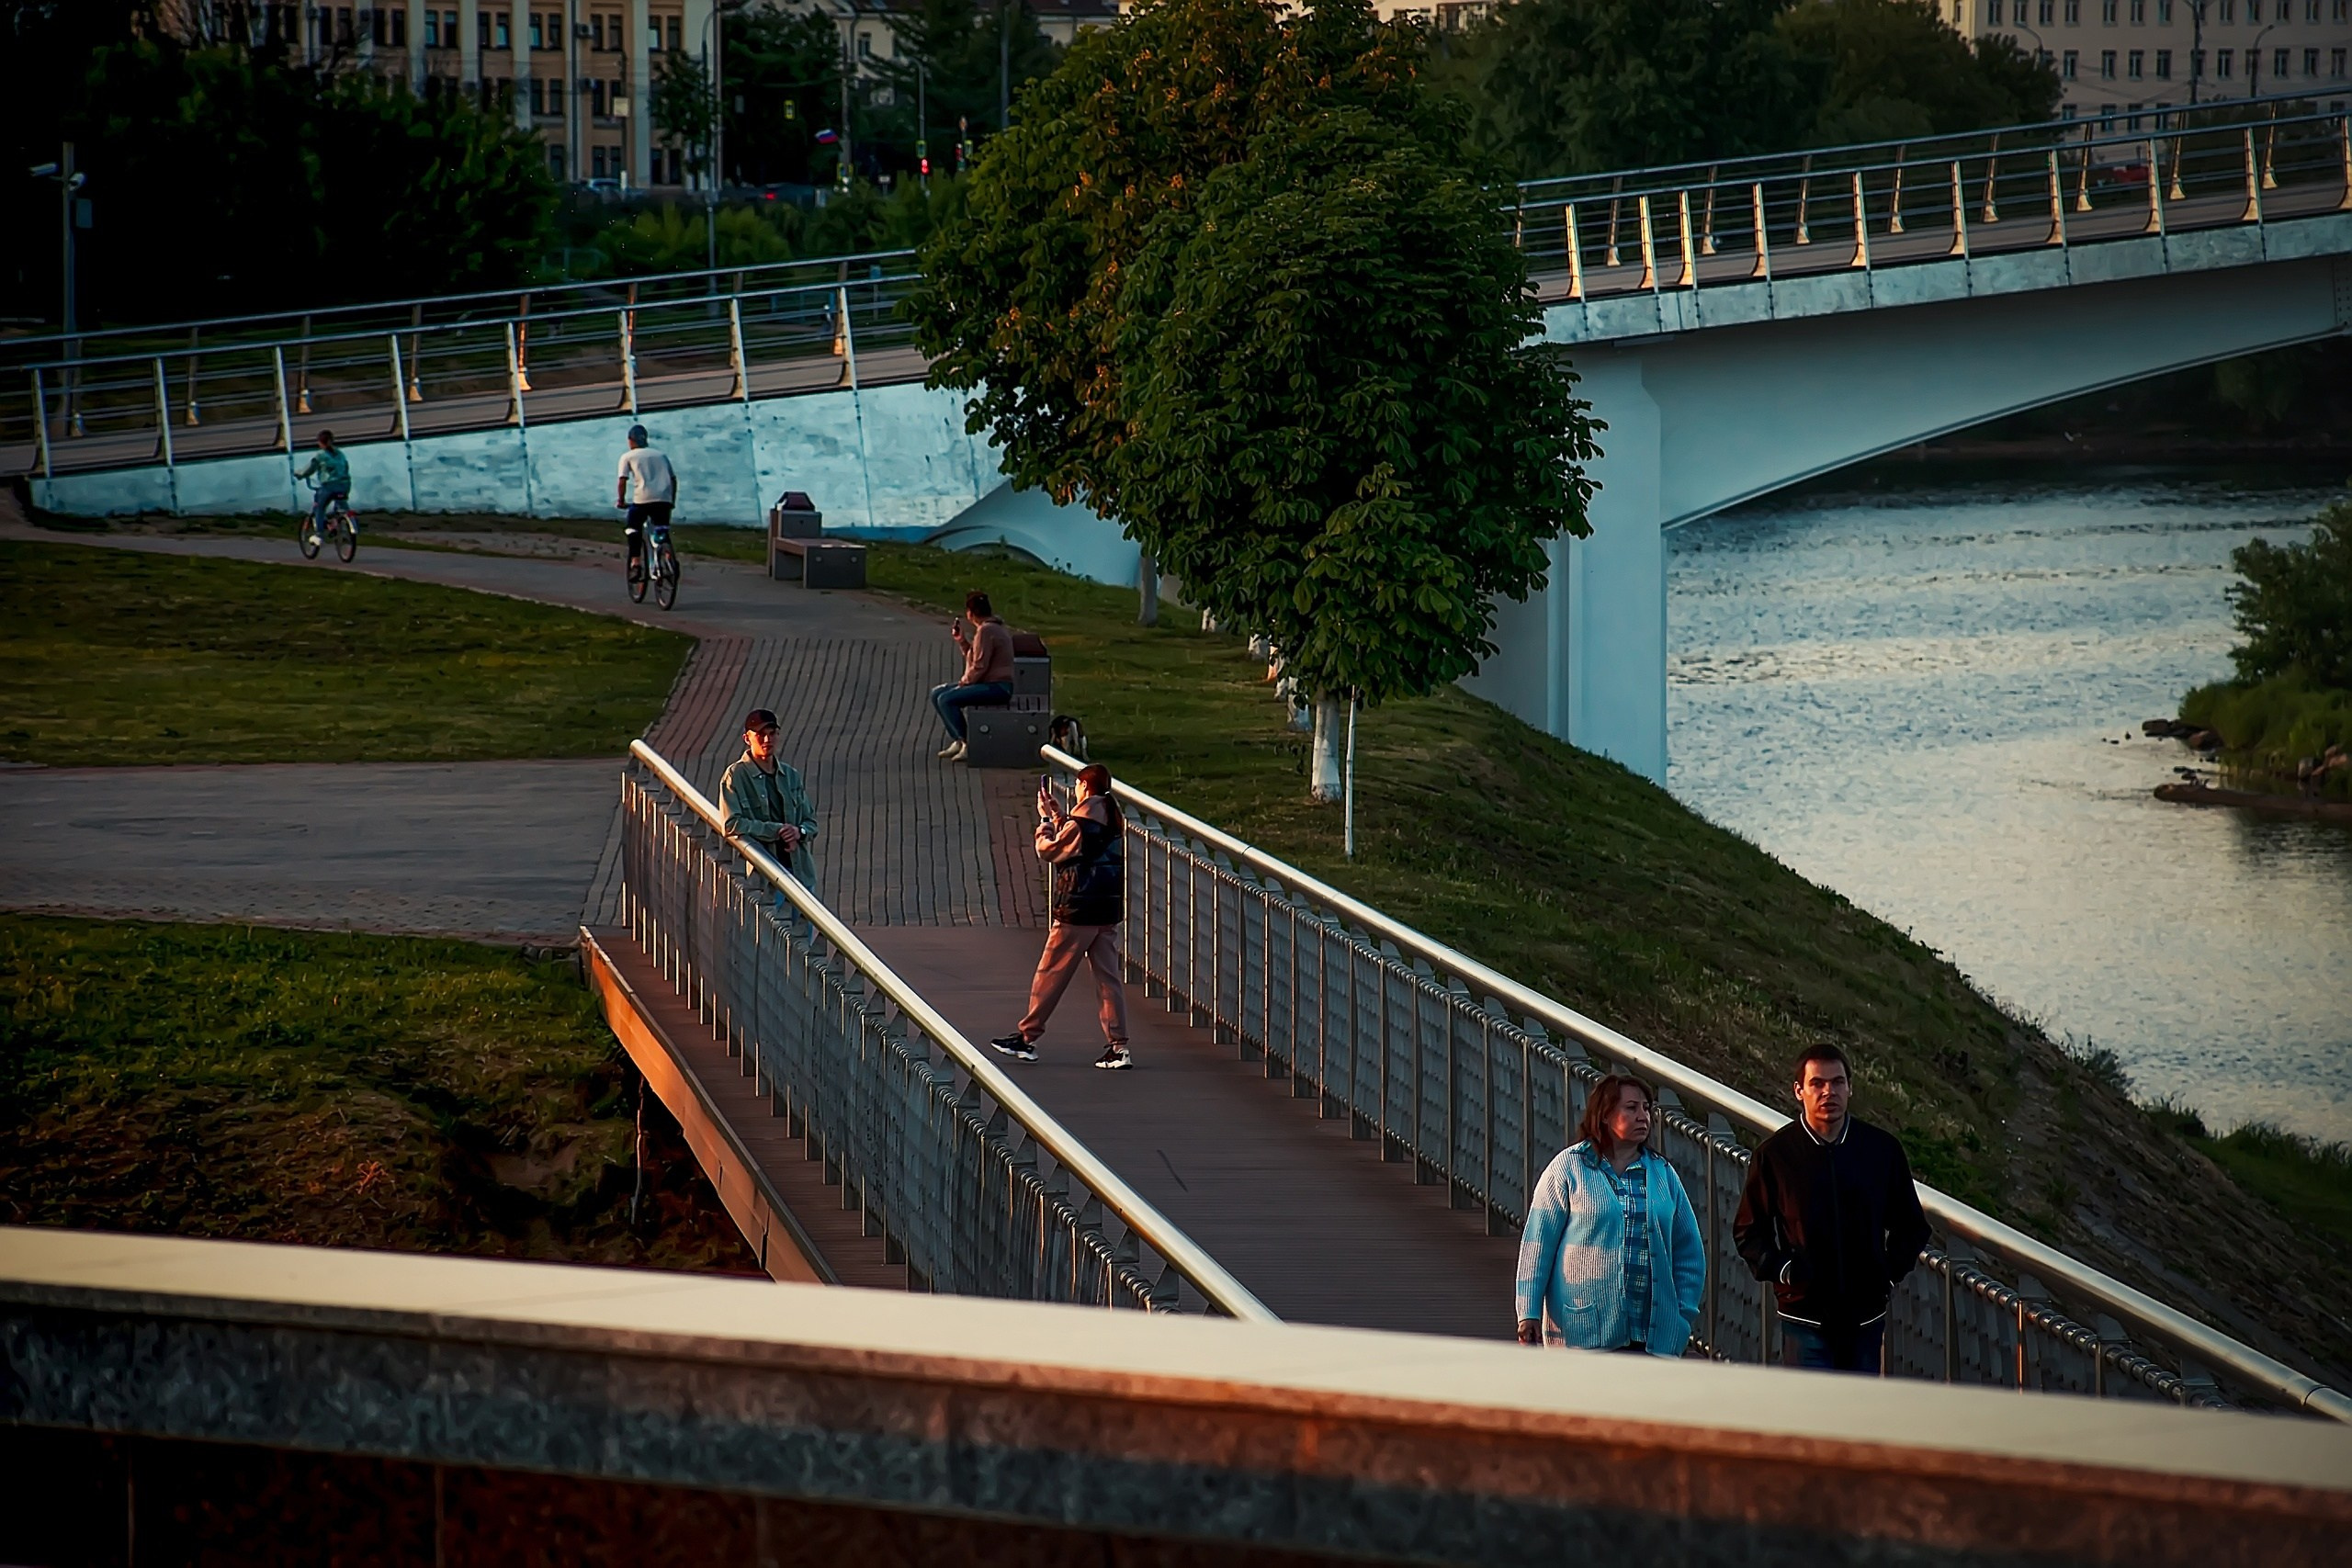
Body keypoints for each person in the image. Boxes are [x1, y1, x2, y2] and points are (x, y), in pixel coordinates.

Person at [1734, 1044, 1932, 1375]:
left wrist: (1887, 1274)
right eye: (1817, 1084)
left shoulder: (1881, 1150)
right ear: (1799, 1091)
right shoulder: (1776, 1155)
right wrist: (1785, 1271)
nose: (1829, 1092)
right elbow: (1748, 1230)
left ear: (1850, 1088)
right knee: (1810, 1418)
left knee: (1857, 1418)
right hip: (1804, 1317)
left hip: (1865, 1316)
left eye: (1838, 1082)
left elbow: (1911, 1225)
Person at [1515, 1074, 1706, 1356]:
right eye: (1631, 1108)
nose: (1643, 1116)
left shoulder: (1662, 1173)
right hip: (1584, 1331)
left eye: (1646, 1108)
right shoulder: (1569, 1168)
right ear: (1605, 1115)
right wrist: (1528, 1310)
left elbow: (1688, 1250)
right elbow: (1538, 1243)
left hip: (1652, 1335)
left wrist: (1682, 1314)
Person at [990, 763, 1131, 1070]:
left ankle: (1027, 1039)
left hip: (1076, 912)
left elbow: (1050, 849)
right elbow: (1080, 841)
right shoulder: (1112, 818)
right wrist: (1059, 816)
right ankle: (1119, 1048)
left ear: (1084, 786)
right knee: (1108, 980)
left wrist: (1044, 820)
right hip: (1105, 912)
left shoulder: (1080, 824)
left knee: (1050, 974)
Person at [718, 708, 819, 894]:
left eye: (772, 734)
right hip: (767, 878)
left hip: (801, 874)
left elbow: (811, 822)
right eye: (760, 735)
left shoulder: (790, 775)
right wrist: (777, 831)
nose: (767, 740)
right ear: (747, 739)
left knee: (804, 922)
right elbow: (731, 824)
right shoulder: (736, 776)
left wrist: (799, 832)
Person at [931, 592, 1015, 761]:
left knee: (945, 699)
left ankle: (967, 743)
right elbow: (976, 657)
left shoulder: (987, 631)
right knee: (936, 694)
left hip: (997, 687)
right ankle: (958, 739)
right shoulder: (990, 628)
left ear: (970, 613)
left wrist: (965, 683)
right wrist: (962, 641)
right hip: (990, 684)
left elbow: (980, 666)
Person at [615, 423, 677, 574]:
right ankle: (669, 558)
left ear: (631, 440)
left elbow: (623, 480)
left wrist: (621, 500)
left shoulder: (628, 456)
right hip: (664, 499)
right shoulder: (661, 455)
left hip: (643, 499)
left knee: (633, 529)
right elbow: (673, 479)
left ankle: (635, 562)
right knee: (662, 529)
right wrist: (671, 501)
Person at [291, 430, 351, 546]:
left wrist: (299, 474)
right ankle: (342, 525)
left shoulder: (320, 455)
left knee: (319, 507)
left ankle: (319, 534)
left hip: (329, 486)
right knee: (342, 506)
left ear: (320, 442)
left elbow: (309, 470)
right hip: (345, 485)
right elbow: (346, 467)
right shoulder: (340, 454)